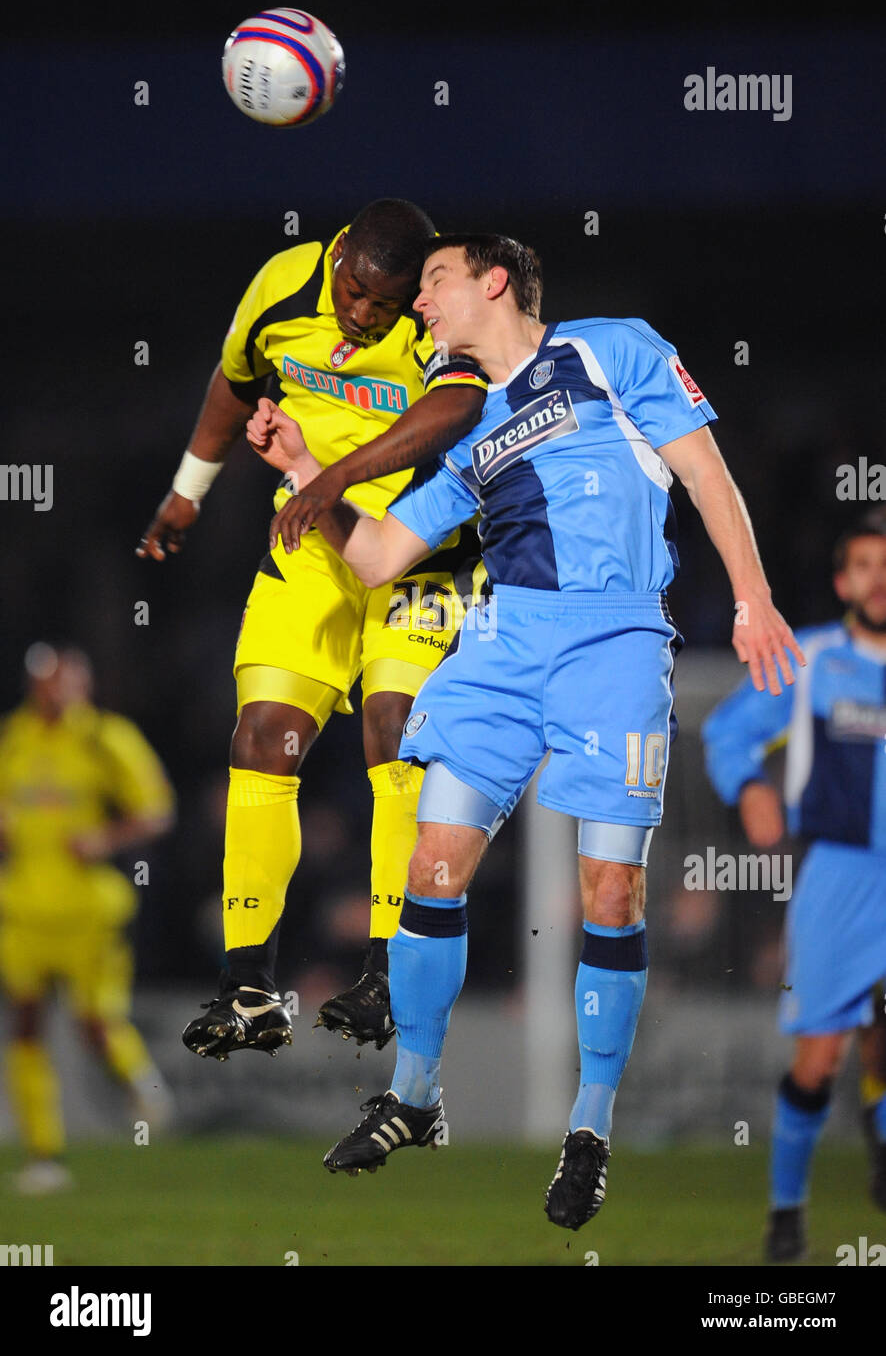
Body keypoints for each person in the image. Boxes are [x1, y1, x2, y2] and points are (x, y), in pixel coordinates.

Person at [248, 232, 803, 1229]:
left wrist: (752, 600)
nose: (419, 303)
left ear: (494, 280)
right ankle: (414, 1097)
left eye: (435, 282)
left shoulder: (611, 349)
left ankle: (588, 1127)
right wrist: (303, 466)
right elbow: (375, 556)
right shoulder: (466, 433)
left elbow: (707, 474)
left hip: (614, 642)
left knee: (611, 886)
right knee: (432, 863)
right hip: (503, 647)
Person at [137, 199, 488, 1059]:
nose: (361, 313)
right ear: (337, 258)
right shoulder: (285, 285)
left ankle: (388, 970)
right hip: (313, 542)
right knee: (262, 736)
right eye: (354, 291)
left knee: (392, 730)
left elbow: (458, 410)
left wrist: (333, 473)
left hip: (423, 550)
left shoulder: (440, 310)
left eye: (383, 302)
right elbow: (234, 378)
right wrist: (189, 489)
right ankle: (250, 985)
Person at [702, 508, 886, 1262]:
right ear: (845, 580)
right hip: (840, 879)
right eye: (866, 566)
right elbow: (727, 731)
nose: (881, 580)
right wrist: (749, 786)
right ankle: (786, 1212)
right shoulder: (810, 658)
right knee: (820, 1061)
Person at [0, 644, 175, 1194]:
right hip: (23, 906)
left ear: (81, 684)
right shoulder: (15, 737)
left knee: (94, 1025)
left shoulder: (106, 738)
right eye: (43, 680)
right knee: (25, 1025)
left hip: (88, 909)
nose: (51, 690)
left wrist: (106, 837)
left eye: (60, 680)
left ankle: (140, 1083)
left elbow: (156, 809)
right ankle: (44, 1155)